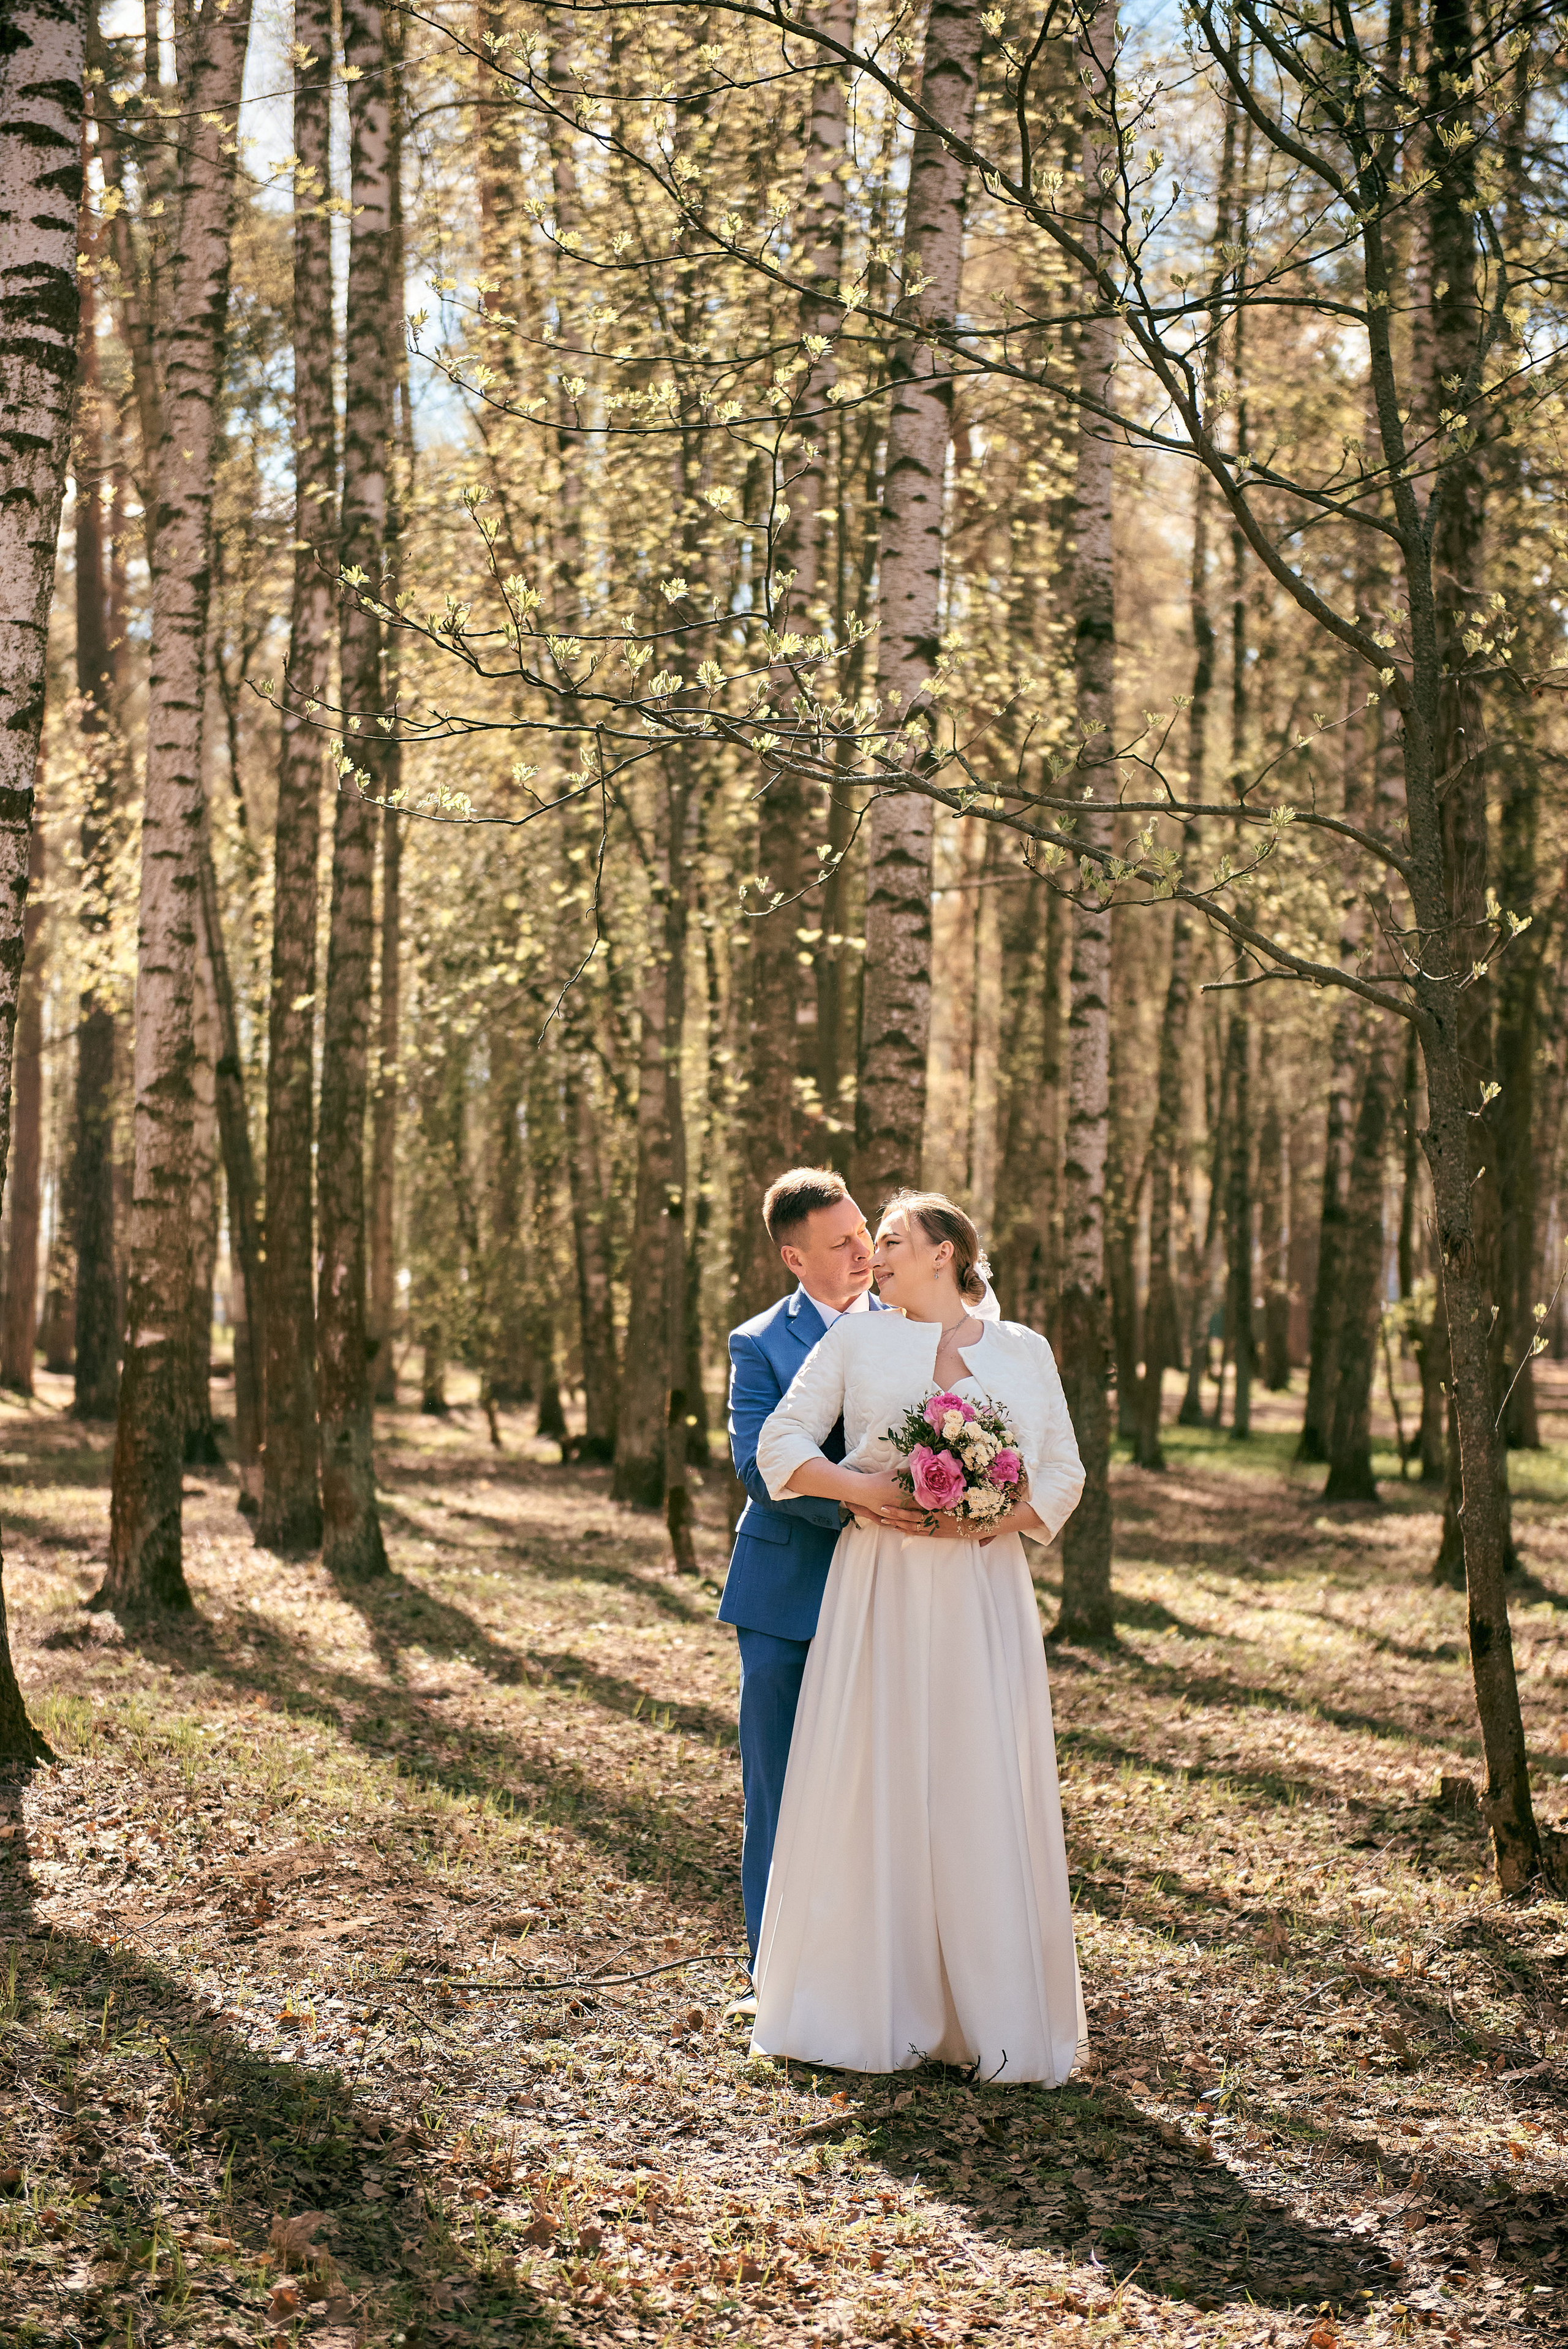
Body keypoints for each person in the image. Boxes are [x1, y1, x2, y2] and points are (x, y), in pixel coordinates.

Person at [749, 1189, 1087, 2082]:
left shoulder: (1023, 1351)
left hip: (982, 1589)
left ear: (945, 1252)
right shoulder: (857, 1339)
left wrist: (994, 1517)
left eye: (891, 1240)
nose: (874, 1256)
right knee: (880, 1772)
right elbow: (779, 1448)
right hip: (881, 1585)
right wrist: (869, 1493)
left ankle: (990, 2017)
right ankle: (871, 2003)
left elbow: (1064, 1470)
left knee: (975, 1773)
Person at [720, 1168, 889, 1984]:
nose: (864, 1250)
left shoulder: (916, 1327)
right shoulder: (757, 1342)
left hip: (894, 1591)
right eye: (841, 1241)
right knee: (778, 1791)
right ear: (794, 1256)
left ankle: (865, 1972)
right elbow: (758, 1464)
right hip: (785, 1593)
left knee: (879, 1788)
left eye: (864, 1231)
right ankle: (776, 1974)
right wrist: (862, 1505)